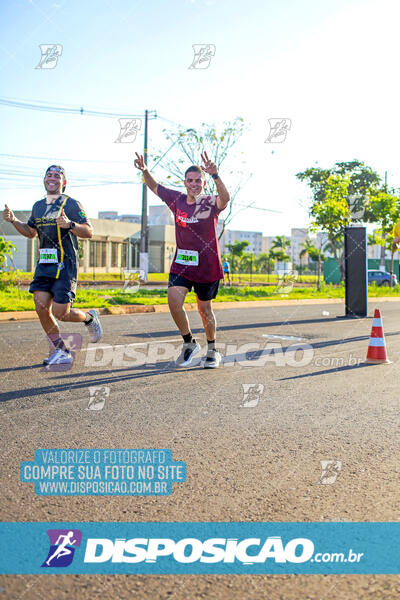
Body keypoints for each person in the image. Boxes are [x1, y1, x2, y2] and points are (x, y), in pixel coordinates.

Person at [134, 150, 230, 368]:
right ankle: (189, 343)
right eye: (190, 180)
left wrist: (216, 175)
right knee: (174, 303)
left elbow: (225, 199)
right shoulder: (176, 199)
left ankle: (212, 350)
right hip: (182, 265)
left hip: (207, 267)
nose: (194, 184)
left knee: (204, 310)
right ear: (185, 182)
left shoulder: (209, 203)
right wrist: (145, 170)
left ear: (203, 184)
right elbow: (155, 186)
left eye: (198, 181)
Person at [2, 165, 102, 366]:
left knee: (60, 312)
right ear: (44, 180)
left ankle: (89, 318)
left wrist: (70, 225)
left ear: (63, 183)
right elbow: (31, 232)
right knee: (41, 308)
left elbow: (89, 232)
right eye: (49, 175)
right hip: (45, 265)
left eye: (57, 175)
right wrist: (13, 221)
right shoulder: (38, 206)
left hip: (65, 265)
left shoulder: (72, 204)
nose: (52, 178)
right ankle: (62, 350)